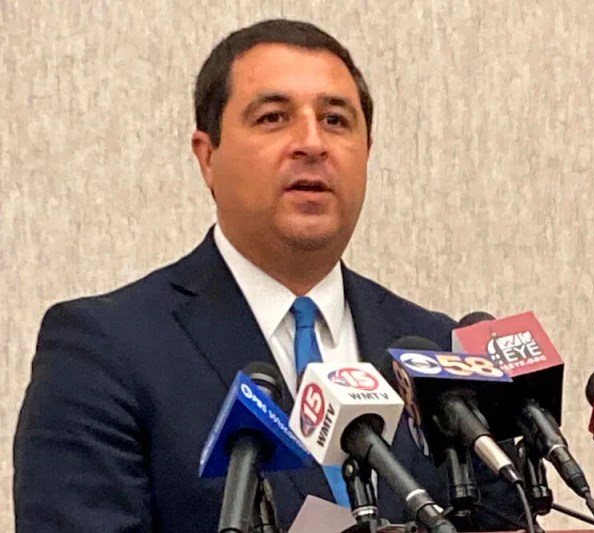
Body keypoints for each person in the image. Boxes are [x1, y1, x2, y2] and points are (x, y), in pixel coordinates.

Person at [14, 19, 521, 532]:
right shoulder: (105, 349)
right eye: (274, 117)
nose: (312, 143)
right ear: (207, 157)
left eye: (336, 120)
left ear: (367, 152)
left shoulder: (437, 355)